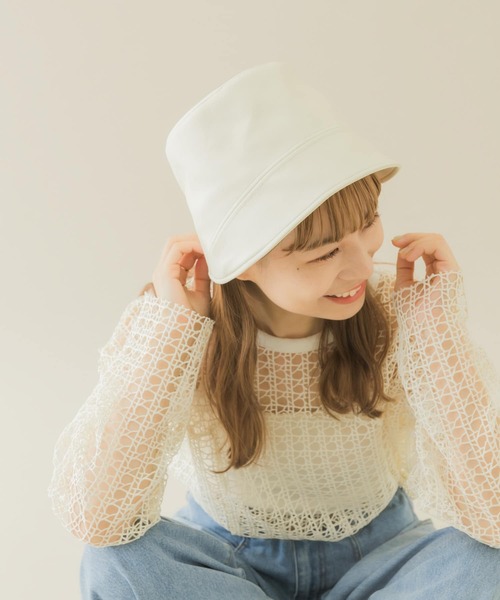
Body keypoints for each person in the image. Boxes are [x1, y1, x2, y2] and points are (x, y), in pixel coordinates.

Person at [48, 62, 500, 599]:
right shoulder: (179, 327)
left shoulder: (398, 313)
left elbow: (493, 513)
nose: (362, 266)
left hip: (384, 557)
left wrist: (435, 338)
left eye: (368, 224)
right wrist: (174, 332)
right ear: (241, 262)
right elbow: (99, 517)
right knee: (114, 559)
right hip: (228, 565)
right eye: (325, 253)